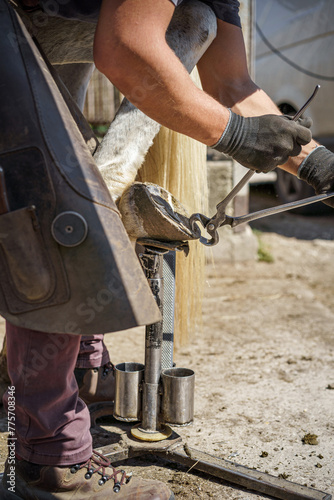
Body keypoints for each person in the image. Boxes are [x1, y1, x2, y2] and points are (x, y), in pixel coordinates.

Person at [2, 0, 334, 499]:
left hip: (44, 32)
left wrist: (321, 167)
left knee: (195, 19)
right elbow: (126, 50)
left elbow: (231, 85)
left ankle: (84, 372)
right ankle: (52, 460)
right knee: (53, 218)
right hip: (14, 31)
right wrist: (235, 135)